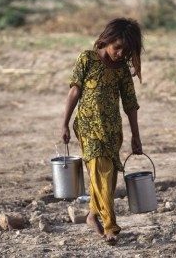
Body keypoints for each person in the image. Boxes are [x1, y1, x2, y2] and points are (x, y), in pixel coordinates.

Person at [61, 18, 144, 245]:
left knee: (105, 178)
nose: (120, 53)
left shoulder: (122, 72)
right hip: (87, 127)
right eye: (117, 47)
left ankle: (91, 215)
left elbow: (130, 106)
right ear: (106, 40)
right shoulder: (87, 59)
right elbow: (74, 92)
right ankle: (110, 226)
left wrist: (136, 137)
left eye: (125, 50)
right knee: (102, 172)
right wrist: (64, 124)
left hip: (112, 130)